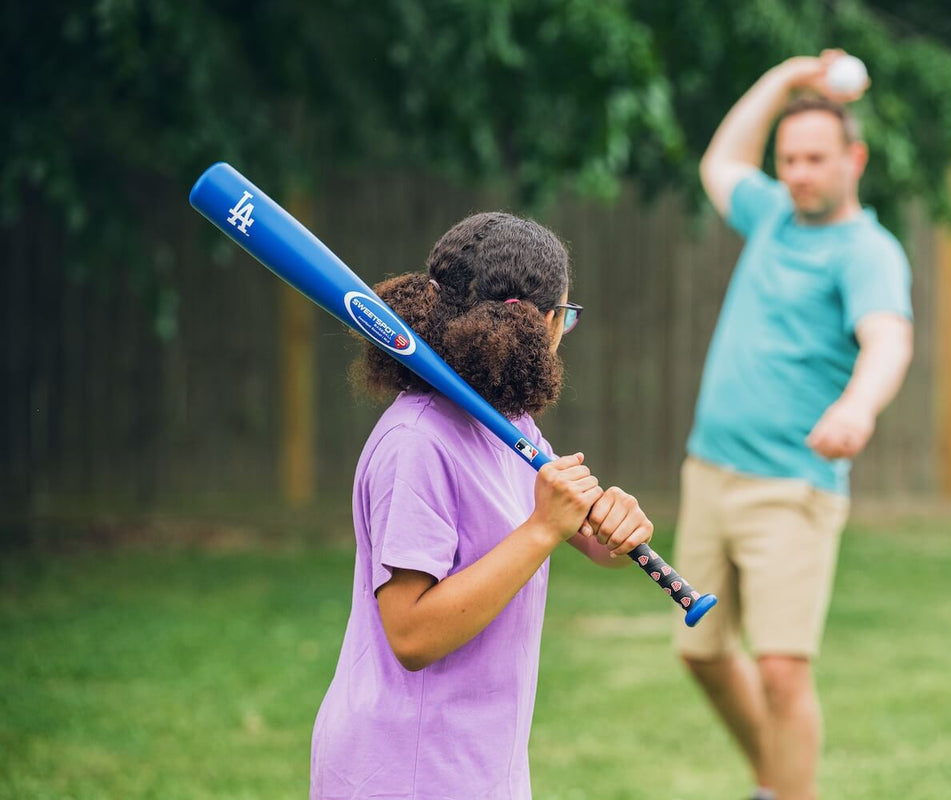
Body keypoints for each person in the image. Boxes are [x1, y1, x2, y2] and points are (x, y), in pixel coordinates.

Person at [310, 212, 653, 800]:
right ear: (541, 320)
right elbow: (412, 634)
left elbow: (592, 541)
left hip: (478, 761)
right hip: (406, 770)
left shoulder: (508, 423)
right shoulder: (417, 442)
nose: (562, 331)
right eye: (565, 318)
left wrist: (619, 526)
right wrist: (543, 529)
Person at [674, 50, 915, 800]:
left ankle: (789, 793)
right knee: (701, 653)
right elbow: (720, 162)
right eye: (789, 160)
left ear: (855, 159)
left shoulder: (867, 252)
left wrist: (857, 405)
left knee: (781, 668)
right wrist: (787, 76)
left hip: (791, 486)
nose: (800, 174)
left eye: (816, 159)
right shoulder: (774, 216)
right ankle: (773, 781)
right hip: (709, 472)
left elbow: (888, 339)